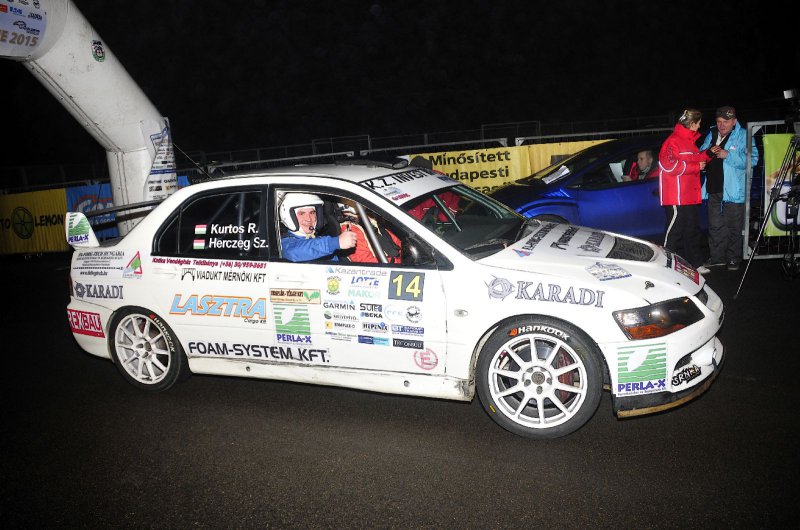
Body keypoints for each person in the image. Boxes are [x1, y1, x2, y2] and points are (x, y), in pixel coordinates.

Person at [700, 106, 759, 271]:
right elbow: (701, 152)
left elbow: (753, 160)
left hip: (733, 190)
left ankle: (733, 258)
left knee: (734, 226)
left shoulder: (743, 135)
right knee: (715, 226)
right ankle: (717, 257)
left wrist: (728, 155)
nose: (722, 125)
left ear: (734, 121)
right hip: (713, 187)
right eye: (719, 121)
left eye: (726, 122)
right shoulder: (712, 134)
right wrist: (705, 156)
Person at [658, 108, 716, 273]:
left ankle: (695, 263)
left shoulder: (689, 141)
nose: (699, 126)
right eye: (698, 123)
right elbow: (668, 166)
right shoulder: (673, 141)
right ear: (691, 123)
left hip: (689, 194)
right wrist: (695, 167)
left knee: (692, 230)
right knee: (674, 232)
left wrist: (708, 154)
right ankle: (665, 263)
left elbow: (695, 159)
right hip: (676, 196)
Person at [279, 193, 356, 262]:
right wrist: (336, 242)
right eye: (302, 213)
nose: (309, 219)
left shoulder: (317, 239)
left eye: (312, 213)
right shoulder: (285, 244)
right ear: (289, 216)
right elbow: (294, 252)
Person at [338, 204, 402, 264]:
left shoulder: (369, 218)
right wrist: (397, 262)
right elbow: (365, 261)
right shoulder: (350, 229)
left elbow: (394, 240)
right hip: (385, 266)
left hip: (396, 259)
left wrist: (403, 255)